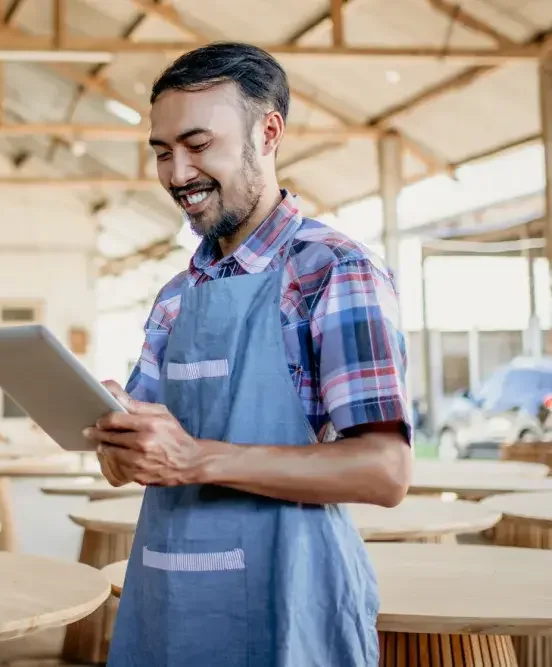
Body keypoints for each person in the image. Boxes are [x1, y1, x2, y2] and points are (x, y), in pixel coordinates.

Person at [83, 42, 413, 666]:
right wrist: (118, 440)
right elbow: (128, 466)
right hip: (167, 599)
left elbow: (384, 471)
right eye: (162, 152)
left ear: (268, 132)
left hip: (289, 604)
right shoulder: (177, 297)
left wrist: (197, 459)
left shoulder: (331, 272)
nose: (177, 174)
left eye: (198, 145)